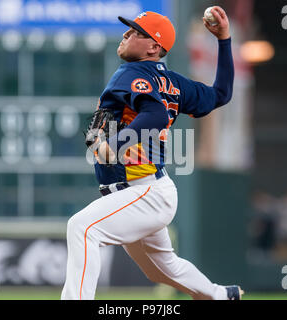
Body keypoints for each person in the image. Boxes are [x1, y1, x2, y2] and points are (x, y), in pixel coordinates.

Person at [62, 7, 241, 300]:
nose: (126, 34)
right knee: (161, 269)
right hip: (147, 191)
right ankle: (221, 295)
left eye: (134, 32)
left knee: (82, 229)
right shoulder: (175, 83)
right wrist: (224, 40)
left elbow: (156, 113)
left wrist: (114, 144)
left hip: (144, 192)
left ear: (153, 46)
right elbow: (221, 93)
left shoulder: (131, 72)